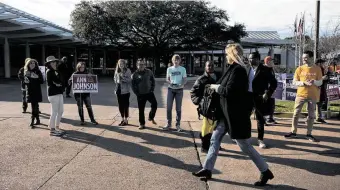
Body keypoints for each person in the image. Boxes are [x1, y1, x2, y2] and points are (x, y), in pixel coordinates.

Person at [192, 43, 274, 186]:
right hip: (226, 114)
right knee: (214, 139)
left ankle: (265, 171)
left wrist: (216, 87)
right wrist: (213, 86)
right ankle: (207, 168)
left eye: (226, 54)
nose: (225, 56)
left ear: (231, 54)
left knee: (244, 146)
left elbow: (230, 91)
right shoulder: (232, 69)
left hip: (236, 115)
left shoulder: (239, 71)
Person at [284, 51, 323, 142]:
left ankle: (309, 134)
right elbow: (294, 82)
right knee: (295, 114)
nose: (303, 59)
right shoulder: (299, 69)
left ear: (311, 58)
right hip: (300, 95)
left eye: (305, 57)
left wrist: (314, 82)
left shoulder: (317, 69)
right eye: (303, 58)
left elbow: (320, 82)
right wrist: (303, 83)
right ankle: (293, 132)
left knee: (311, 115)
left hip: (313, 95)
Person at [249, 52, 277, 149]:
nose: (250, 60)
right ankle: (245, 137)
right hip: (247, 96)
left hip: (259, 97)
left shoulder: (265, 70)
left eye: (252, 58)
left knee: (260, 119)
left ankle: (260, 139)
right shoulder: (246, 69)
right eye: (249, 58)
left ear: (257, 59)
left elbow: (274, 83)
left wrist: (268, 93)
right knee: (244, 117)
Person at [190, 61, 219, 153]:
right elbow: (193, 92)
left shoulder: (218, 77)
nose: (210, 67)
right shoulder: (201, 79)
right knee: (206, 127)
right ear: (205, 67)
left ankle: (213, 144)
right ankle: (204, 146)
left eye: (212, 65)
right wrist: (201, 102)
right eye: (208, 66)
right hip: (207, 108)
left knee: (214, 128)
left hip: (217, 107)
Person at [163, 54, 187, 132]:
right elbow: (167, 79)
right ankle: (168, 123)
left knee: (178, 108)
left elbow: (185, 79)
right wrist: (170, 82)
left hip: (179, 90)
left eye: (177, 60)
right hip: (171, 89)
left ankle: (178, 125)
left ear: (179, 61)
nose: (176, 61)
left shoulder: (182, 69)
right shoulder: (169, 69)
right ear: (172, 61)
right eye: (174, 60)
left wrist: (182, 84)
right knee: (169, 107)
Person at [131, 59, 158, 130]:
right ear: (137, 65)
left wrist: (152, 89)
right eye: (139, 64)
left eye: (142, 64)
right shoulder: (135, 74)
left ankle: (151, 117)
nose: (141, 66)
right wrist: (137, 93)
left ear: (145, 65)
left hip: (149, 93)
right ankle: (142, 124)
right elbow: (133, 85)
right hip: (140, 95)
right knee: (141, 110)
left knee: (154, 104)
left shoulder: (149, 72)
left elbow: (153, 80)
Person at [46, 56, 66, 137]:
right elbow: (50, 83)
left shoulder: (57, 71)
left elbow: (61, 81)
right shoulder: (49, 71)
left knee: (61, 111)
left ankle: (56, 126)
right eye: (52, 62)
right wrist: (57, 84)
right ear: (49, 64)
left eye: (55, 62)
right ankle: (52, 130)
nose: (54, 63)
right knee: (54, 111)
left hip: (59, 92)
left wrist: (60, 85)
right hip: (53, 94)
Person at [23, 58, 44, 128]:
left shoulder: (38, 71)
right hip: (30, 91)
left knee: (35, 106)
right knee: (34, 106)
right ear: (28, 65)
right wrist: (25, 81)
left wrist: (37, 77)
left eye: (34, 63)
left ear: (36, 64)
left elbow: (42, 81)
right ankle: (37, 119)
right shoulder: (27, 72)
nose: (32, 64)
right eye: (31, 63)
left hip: (37, 91)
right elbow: (24, 82)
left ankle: (33, 120)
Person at [114, 59, 132, 126]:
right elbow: (114, 79)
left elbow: (129, 80)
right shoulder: (117, 70)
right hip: (118, 90)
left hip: (125, 91)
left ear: (124, 64)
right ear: (118, 64)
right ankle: (122, 119)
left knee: (126, 105)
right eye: (120, 64)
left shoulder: (128, 71)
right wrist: (117, 80)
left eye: (122, 64)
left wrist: (123, 78)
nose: (121, 65)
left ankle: (126, 119)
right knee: (120, 105)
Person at [264, 56, 278, 124]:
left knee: (272, 103)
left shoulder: (271, 69)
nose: (273, 62)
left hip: (271, 90)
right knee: (266, 104)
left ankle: (270, 117)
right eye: (272, 61)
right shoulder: (264, 69)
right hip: (266, 90)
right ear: (268, 61)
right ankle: (265, 118)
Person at [315, 59, 329, 124]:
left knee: (319, 103)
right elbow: (315, 78)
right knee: (313, 103)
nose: (324, 64)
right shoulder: (315, 69)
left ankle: (319, 117)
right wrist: (323, 78)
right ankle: (312, 117)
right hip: (316, 88)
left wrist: (326, 77)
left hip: (321, 87)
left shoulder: (322, 69)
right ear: (319, 63)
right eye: (323, 63)